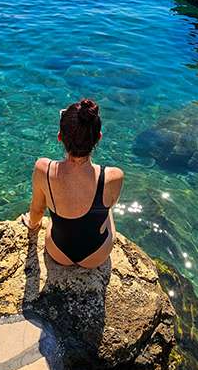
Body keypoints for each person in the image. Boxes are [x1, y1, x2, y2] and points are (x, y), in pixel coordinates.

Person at [21, 98, 124, 268]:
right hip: (96, 256)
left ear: (60, 137)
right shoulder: (114, 175)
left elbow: (38, 209)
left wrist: (33, 225)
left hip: (58, 252)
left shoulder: (43, 169)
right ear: (98, 138)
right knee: (107, 210)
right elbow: (109, 206)